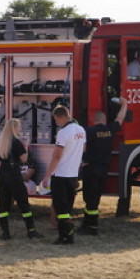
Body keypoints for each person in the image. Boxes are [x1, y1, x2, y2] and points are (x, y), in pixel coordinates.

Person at [0, 117, 41, 240]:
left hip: (2, 174)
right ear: (14, 128)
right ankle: (31, 231)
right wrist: (25, 146)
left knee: (3, 205)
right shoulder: (16, 142)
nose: (20, 129)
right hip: (14, 174)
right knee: (23, 203)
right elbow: (24, 160)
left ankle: (5, 233)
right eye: (19, 127)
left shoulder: (0, 141)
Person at [79, 98, 129, 235]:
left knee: (89, 199)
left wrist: (81, 162)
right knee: (95, 199)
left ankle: (91, 227)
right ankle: (87, 224)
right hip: (103, 170)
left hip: (90, 168)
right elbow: (119, 119)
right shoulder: (110, 130)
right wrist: (125, 105)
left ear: (94, 121)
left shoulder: (88, 132)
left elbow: (82, 149)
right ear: (104, 121)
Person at [41, 105, 87, 245]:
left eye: (56, 120)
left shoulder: (63, 133)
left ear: (61, 117)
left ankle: (64, 236)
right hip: (73, 175)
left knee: (61, 208)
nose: (56, 123)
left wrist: (47, 176)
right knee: (67, 208)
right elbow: (83, 149)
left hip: (60, 175)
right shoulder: (81, 130)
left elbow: (57, 156)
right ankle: (69, 235)